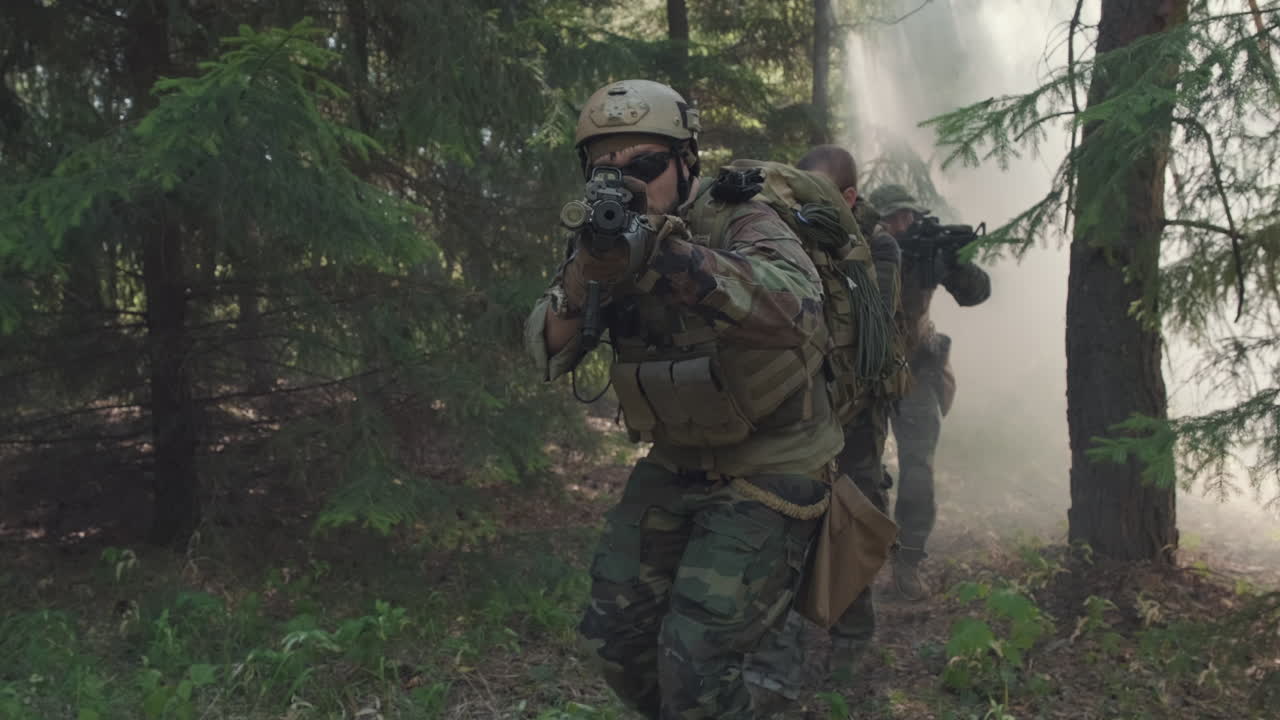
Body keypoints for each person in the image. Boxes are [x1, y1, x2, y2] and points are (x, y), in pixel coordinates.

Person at [525, 79, 845, 719]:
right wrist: (591, 269)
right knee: (612, 641)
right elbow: (544, 348)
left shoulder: (740, 217)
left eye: (645, 165)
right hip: (677, 461)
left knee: (696, 657)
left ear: (686, 160)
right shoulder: (604, 240)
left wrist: (672, 262)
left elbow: (798, 310)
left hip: (772, 466)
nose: (629, 184)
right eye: (605, 171)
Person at [743, 145, 908, 712]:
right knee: (781, 530)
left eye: (815, 195)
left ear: (848, 200)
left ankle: (853, 638)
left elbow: (870, 332)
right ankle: (773, 671)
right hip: (798, 414)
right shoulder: (782, 239)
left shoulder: (876, 247)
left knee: (846, 531)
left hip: (856, 420)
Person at [868, 183, 991, 600]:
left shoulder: (926, 250)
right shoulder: (857, 248)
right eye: (891, 217)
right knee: (860, 472)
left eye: (907, 216)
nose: (901, 224)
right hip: (862, 375)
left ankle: (908, 561)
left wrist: (955, 265)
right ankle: (858, 559)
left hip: (916, 371)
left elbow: (976, 294)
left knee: (918, 469)